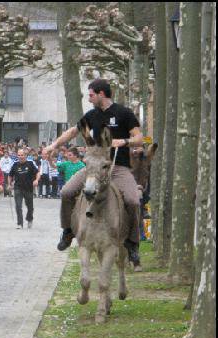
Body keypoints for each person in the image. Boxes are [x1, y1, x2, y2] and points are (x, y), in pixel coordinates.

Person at [43, 78, 143, 265]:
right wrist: (53, 145)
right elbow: (72, 132)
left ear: (101, 94)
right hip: (93, 168)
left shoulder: (124, 113)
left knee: (133, 200)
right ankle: (68, 231)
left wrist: (124, 142)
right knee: (66, 192)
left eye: (91, 95)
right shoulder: (91, 115)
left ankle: (133, 243)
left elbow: (139, 137)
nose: (89, 99)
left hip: (118, 168)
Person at [8, 148, 40, 229]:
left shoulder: (30, 164)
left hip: (28, 188)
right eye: (19, 155)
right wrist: (9, 184)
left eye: (22, 155)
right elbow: (10, 175)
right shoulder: (15, 165)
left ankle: (29, 219)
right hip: (18, 188)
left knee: (30, 206)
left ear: (25, 155)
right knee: (18, 206)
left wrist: (36, 180)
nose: (20, 156)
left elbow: (37, 173)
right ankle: (19, 223)